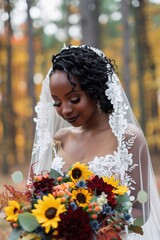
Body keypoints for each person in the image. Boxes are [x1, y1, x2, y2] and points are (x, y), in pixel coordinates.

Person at [29, 45, 160, 239]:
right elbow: (41, 197)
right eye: (57, 102)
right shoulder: (60, 139)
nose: (65, 110)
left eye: (74, 99)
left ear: (95, 89)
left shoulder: (128, 138)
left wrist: (94, 229)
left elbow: (141, 210)